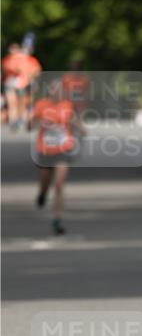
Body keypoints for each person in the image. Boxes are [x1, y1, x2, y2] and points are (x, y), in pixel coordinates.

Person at [31, 77, 84, 235]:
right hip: (45, 149)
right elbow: (31, 124)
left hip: (63, 148)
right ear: (49, 91)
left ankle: (57, 219)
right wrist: (36, 123)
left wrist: (81, 129)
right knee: (45, 181)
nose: (57, 92)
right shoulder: (41, 105)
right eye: (54, 89)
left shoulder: (67, 105)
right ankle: (42, 194)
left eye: (59, 89)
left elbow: (73, 121)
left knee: (59, 184)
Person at [2, 43, 41, 130]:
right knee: (11, 103)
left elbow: (35, 70)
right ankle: (13, 121)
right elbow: (5, 70)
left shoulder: (27, 59)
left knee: (22, 103)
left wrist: (30, 77)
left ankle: (21, 119)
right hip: (10, 83)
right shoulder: (7, 59)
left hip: (22, 83)